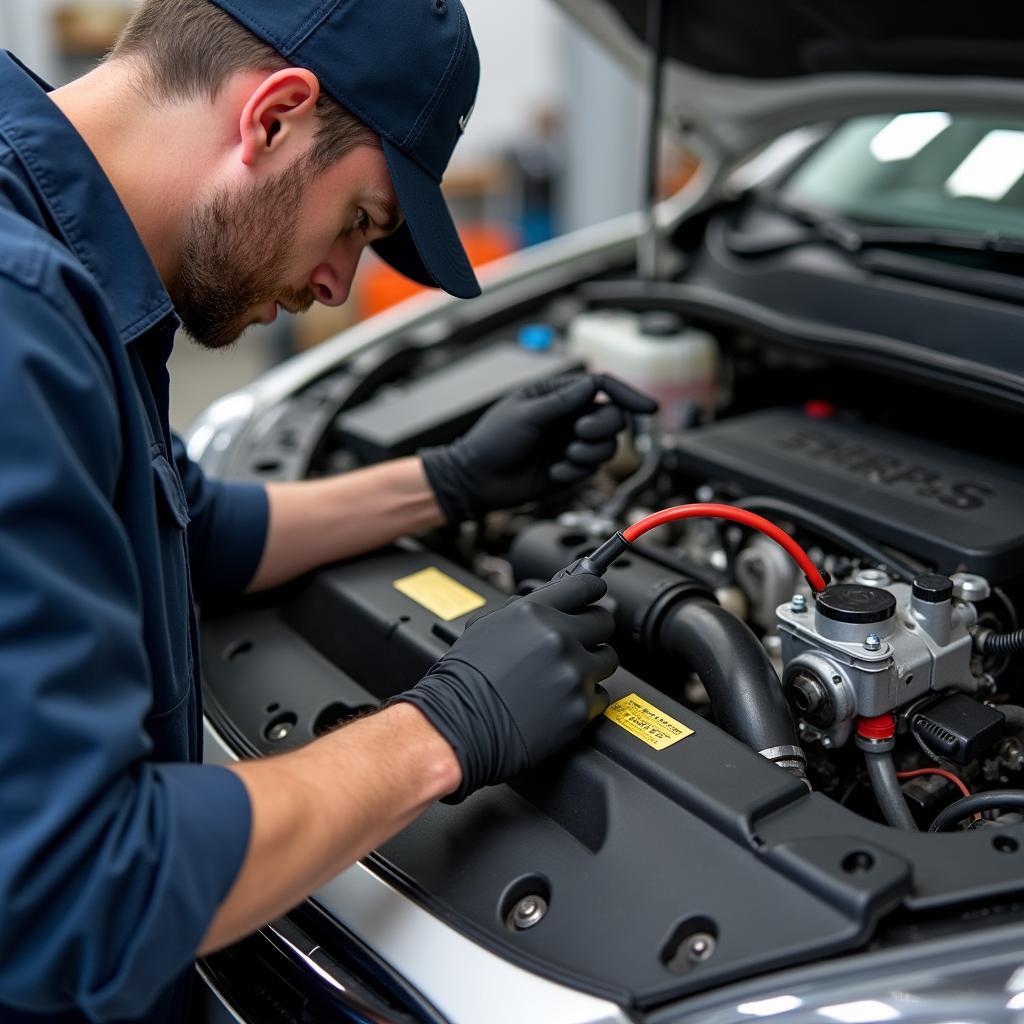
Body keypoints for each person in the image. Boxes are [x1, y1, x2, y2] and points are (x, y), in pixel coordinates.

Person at [0, 2, 656, 1022]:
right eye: (360, 221)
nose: (337, 282)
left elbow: (185, 527)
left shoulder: (61, 247)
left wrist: (451, 481)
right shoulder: (18, 318)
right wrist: (442, 728)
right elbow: (83, 887)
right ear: (274, 118)